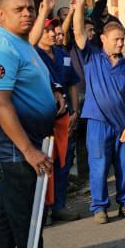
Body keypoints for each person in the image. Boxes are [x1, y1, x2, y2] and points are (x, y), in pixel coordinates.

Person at [0, 0, 84, 248]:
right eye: (18, 9)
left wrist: (54, 93)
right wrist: (27, 149)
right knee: (29, 217)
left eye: (29, 8)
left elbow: (36, 79)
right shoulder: (0, 49)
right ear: (2, 15)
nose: (26, 13)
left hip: (24, 141)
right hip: (12, 146)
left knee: (11, 215)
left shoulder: (20, 44)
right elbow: (0, 102)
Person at [72, 0, 125, 223]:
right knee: (99, 168)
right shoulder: (91, 57)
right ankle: (100, 207)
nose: (120, 43)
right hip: (98, 124)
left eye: (123, 39)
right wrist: (80, 5)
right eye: (116, 39)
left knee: (124, 168)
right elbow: (79, 32)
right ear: (102, 39)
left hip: (122, 125)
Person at [35, 16, 81, 224]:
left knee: (64, 161)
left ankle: (59, 206)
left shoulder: (63, 54)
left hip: (65, 117)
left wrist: (75, 111)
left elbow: (71, 83)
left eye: (54, 29)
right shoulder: (32, 55)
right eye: (47, 31)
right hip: (44, 118)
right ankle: (42, 208)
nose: (53, 33)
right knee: (45, 162)